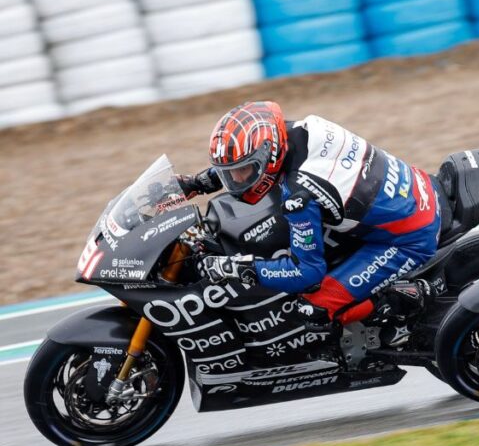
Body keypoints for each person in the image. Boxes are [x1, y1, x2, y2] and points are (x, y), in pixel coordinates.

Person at [178, 100, 441, 326]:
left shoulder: (299, 194)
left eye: (242, 172)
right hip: (412, 189)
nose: (236, 181)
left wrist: (237, 266)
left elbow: (306, 272)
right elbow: (246, 161)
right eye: (229, 174)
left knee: (313, 309)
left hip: (409, 238)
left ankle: (409, 296)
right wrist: (197, 182)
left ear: (267, 156)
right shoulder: (292, 132)